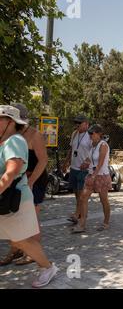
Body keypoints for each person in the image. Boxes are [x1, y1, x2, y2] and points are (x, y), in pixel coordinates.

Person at [0, 105, 58, 287]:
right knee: (18, 238)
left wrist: (32, 181)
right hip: (10, 194)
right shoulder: (5, 141)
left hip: (15, 195)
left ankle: (47, 267)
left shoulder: (16, 141)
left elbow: (11, 172)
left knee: (22, 238)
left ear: (10, 122)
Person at [71, 125, 112, 233]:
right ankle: (82, 224)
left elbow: (100, 163)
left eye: (91, 133)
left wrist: (94, 176)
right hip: (91, 174)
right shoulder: (93, 145)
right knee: (83, 197)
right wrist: (85, 163)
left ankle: (106, 222)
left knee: (104, 200)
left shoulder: (103, 145)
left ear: (99, 134)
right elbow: (90, 158)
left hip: (101, 175)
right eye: (89, 133)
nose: (89, 135)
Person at [63, 114, 92, 224]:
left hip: (84, 169)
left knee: (81, 194)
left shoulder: (90, 136)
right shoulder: (74, 134)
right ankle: (81, 213)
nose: (77, 125)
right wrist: (66, 163)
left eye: (79, 123)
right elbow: (71, 149)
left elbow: (94, 151)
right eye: (76, 123)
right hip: (74, 168)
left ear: (86, 124)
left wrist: (87, 161)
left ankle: (77, 215)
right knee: (76, 193)